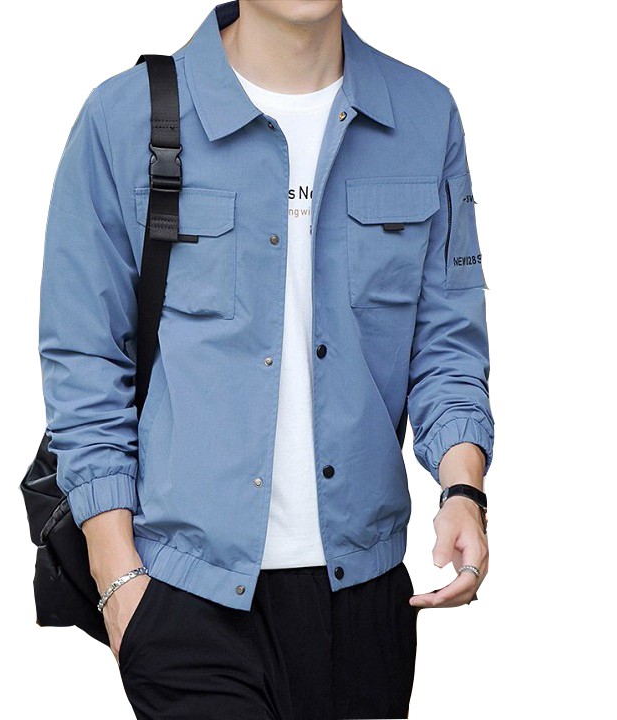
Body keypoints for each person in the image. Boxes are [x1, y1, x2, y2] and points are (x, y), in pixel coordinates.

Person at [37, 1, 493, 718]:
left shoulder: (425, 116)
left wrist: (463, 490)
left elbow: (447, 344)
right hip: (185, 591)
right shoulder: (124, 119)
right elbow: (84, 358)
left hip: (365, 598)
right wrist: (117, 576)